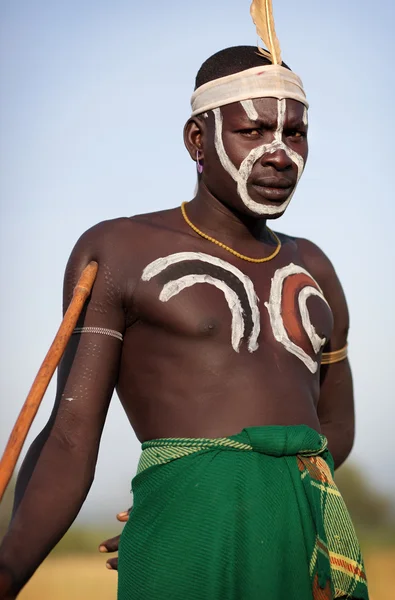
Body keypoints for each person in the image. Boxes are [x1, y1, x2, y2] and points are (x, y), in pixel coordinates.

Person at [0, 40, 369, 600]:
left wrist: (254, 496)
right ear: (198, 138)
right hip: (186, 540)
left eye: (294, 133)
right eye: (254, 131)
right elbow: (71, 438)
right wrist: (9, 569)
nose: (278, 154)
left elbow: (335, 428)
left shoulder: (314, 266)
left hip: (303, 537)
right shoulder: (121, 249)